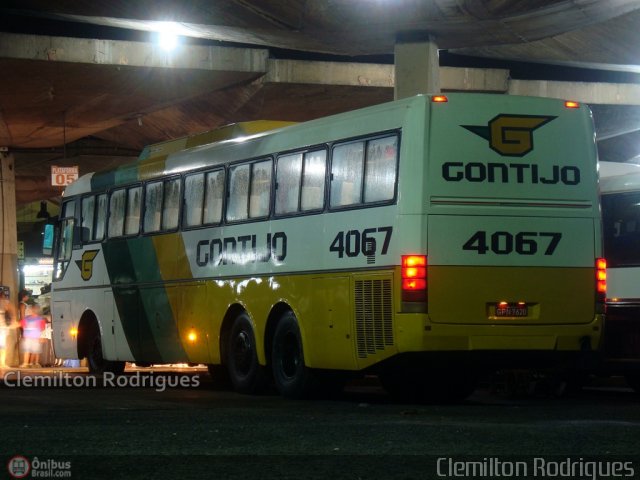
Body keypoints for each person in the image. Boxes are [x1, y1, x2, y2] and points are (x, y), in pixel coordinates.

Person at [20, 304, 46, 368]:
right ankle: (26, 363)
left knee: (35, 351)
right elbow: (22, 325)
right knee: (28, 350)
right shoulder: (27, 318)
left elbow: (42, 328)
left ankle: (34, 363)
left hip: (35, 337)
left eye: (35, 309)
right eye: (33, 309)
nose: (34, 310)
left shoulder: (39, 319)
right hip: (29, 337)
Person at [0, 289, 19, 367]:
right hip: (3, 327)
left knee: (2, 346)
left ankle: (2, 363)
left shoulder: (4, 302)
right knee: (2, 346)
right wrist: (13, 320)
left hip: (3, 327)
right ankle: (2, 363)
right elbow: (12, 310)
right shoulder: (5, 302)